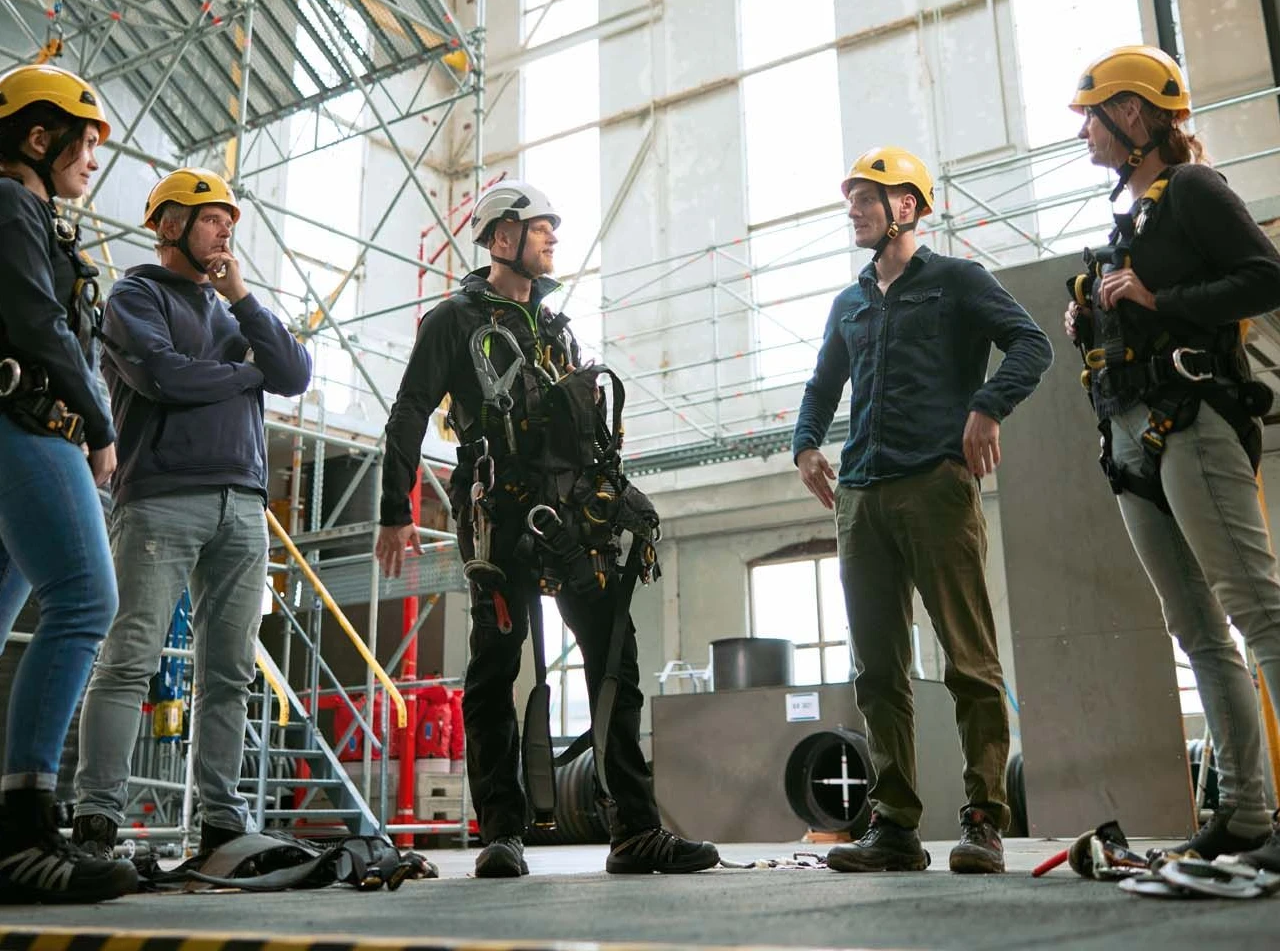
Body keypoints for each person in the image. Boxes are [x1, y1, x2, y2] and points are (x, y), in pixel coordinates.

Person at [377, 180, 719, 878]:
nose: (552, 239)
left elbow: (584, 430)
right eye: (540, 229)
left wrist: (621, 498)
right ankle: (501, 833)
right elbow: (409, 411)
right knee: (495, 671)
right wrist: (394, 511)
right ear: (501, 238)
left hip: (574, 525)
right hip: (501, 522)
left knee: (614, 663)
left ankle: (635, 832)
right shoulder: (454, 322)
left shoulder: (558, 327)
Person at [793, 147, 1052, 875]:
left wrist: (987, 407)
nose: (853, 212)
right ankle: (895, 827)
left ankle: (984, 821)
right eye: (851, 202)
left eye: (866, 200)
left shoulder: (958, 282)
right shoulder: (848, 303)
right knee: (877, 670)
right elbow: (820, 385)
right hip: (862, 497)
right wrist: (806, 446)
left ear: (906, 205)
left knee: (969, 662)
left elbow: (1031, 344)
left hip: (935, 490)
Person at [1063, 44, 1280, 865]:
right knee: (1195, 628)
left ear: (1133, 114)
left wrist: (1160, 298)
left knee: (1256, 609)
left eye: (1094, 114)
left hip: (1191, 419)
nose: (1085, 131)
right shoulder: (1137, 212)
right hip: (1131, 435)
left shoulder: (1193, 189)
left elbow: (1266, 277)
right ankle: (1245, 813)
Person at [72, 169, 312, 862]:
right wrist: (245, 373)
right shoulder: (135, 295)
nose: (225, 230)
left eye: (229, 222)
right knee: (128, 658)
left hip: (243, 503)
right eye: (211, 218)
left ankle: (222, 821)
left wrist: (240, 297)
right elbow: (164, 377)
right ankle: (95, 817)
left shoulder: (235, 309)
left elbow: (293, 373)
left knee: (229, 672)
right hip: (161, 498)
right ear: (170, 225)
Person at [0, 63, 138, 903]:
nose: (93, 159)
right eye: (85, 142)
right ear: (38, 136)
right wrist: (99, 421)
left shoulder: (26, 211)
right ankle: (22, 829)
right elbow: (37, 322)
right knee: (87, 601)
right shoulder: (12, 204)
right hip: (26, 427)